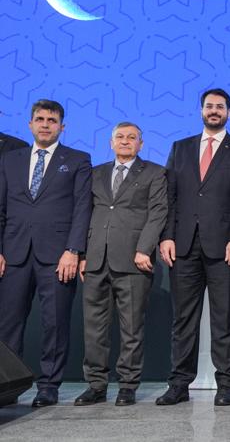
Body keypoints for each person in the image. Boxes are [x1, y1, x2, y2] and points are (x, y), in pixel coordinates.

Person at [157, 88, 230, 407]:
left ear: (229, 112)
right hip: (183, 246)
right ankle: (178, 385)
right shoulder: (181, 147)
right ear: (201, 110)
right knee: (183, 320)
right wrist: (167, 236)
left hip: (225, 247)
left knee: (225, 320)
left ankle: (226, 384)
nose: (214, 111)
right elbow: (170, 196)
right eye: (209, 106)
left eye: (220, 107)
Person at [0, 99, 92, 407]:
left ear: (62, 127)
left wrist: (73, 250)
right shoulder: (10, 160)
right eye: (40, 119)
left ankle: (48, 386)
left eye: (52, 120)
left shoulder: (77, 160)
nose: (45, 125)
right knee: (8, 324)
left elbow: (82, 209)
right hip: (13, 254)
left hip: (57, 257)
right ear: (30, 124)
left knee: (55, 323)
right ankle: (7, 386)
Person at [75, 122, 167, 407]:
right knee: (94, 328)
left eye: (131, 137)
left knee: (131, 328)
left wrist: (144, 249)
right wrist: (82, 254)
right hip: (95, 260)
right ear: (111, 142)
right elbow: (83, 213)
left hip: (133, 261)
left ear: (141, 144)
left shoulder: (155, 172)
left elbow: (158, 213)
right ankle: (96, 385)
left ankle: (127, 385)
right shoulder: (96, 173)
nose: (125, 141)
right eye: (120, 137)